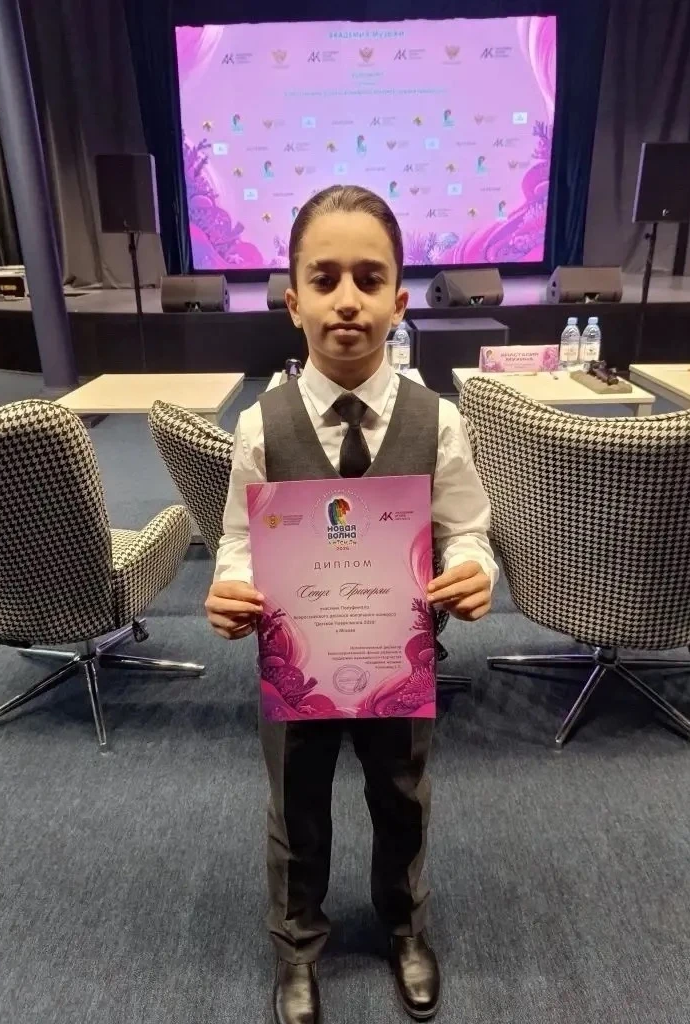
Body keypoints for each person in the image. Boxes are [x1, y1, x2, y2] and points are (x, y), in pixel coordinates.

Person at [205, 184, 498, 1024]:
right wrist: (229, 586)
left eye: (369, 280)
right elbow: (237, 537)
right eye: (324, 279)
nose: (346, 300)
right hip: (294, 664)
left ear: (399, 301)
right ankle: (296, 946)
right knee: (295, 808)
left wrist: (472, 570)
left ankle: (406, 927)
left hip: (397, 662)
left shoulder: (438, 421)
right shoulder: (260, 425)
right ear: (292, 301)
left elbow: (467, 527)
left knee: (402, 797)